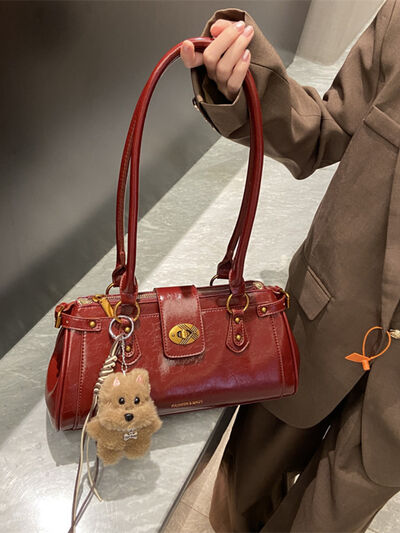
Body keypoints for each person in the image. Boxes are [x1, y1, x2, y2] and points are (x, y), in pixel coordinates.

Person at [179, 1, 400, 531]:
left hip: (393, 416)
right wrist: (246, 80)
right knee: (239, 503)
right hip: (321, 322)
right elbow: (326, 128)